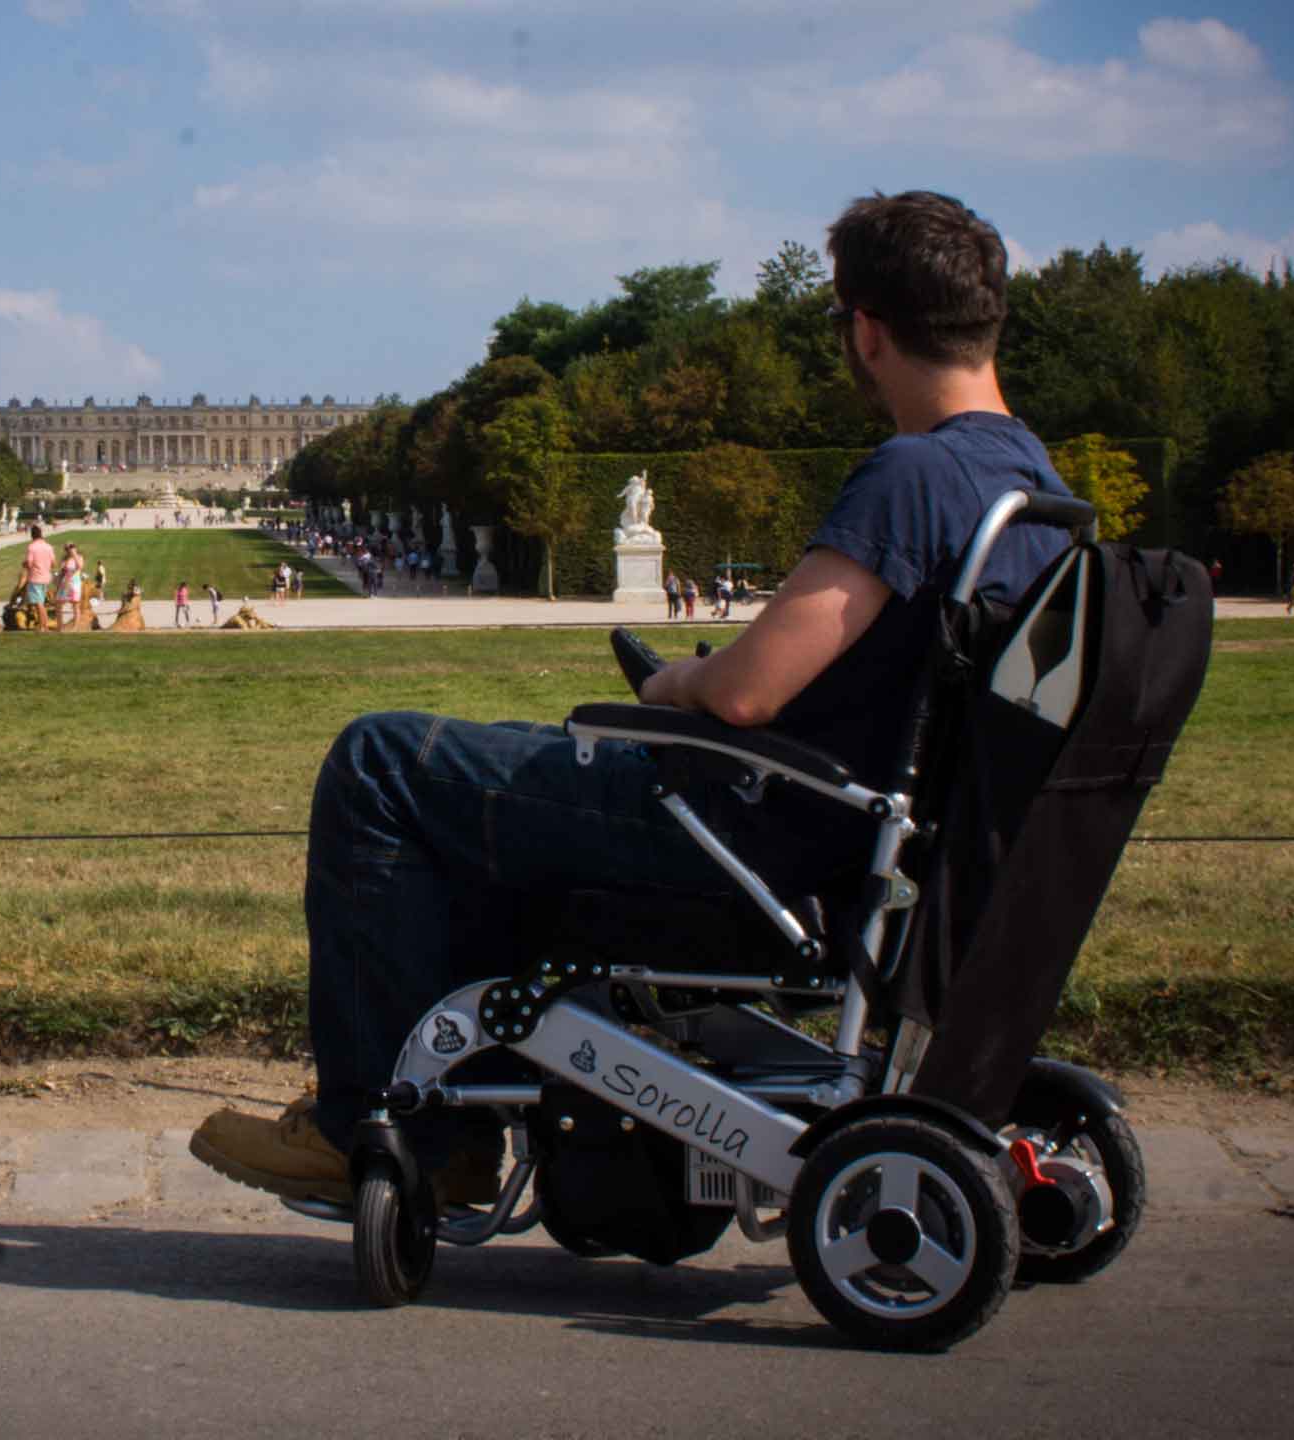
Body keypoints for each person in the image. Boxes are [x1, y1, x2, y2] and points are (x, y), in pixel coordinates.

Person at [191, 189, 1076, 1207]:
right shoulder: (1037, 487)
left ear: (866, 331)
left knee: (381, 763)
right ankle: (459, 1118)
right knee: (491, 779)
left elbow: (748, 693)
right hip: (869, 836)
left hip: (754, 829)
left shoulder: (916, 476)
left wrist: (670, 678)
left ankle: (374, 1129)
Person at [16, 525, 57, 633]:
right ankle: (43, 626)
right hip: (46, 577)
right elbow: (53, 563)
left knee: (38, 603)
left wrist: (24, 564)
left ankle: (43, 626)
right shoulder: (48, 546)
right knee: (41, 602)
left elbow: (29, 563)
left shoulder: (32, 547)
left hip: (35, 577)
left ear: (32, 535)